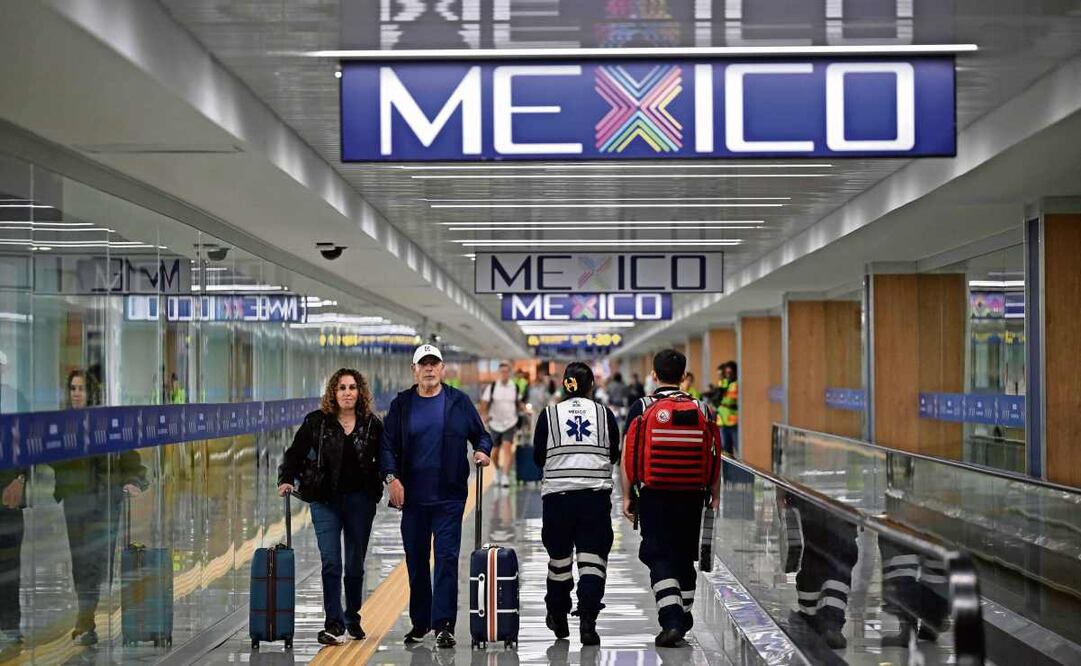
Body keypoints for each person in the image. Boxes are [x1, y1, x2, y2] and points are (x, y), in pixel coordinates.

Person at [381, 344, 492, 649]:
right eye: (423, 364)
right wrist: (392, 478)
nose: (429, 369)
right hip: (413, 500)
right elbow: (387, 445)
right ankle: (420, 623)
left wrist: (483, 451)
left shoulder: (458, 402)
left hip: (449, 497)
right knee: (416, 561)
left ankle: (443, 625)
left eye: (434, 364)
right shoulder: (402, 404)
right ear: (413, 370)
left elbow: (481, 434)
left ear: (443, 369)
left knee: (445, 559)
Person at [622, 350, 721, 648]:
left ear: (654, 375)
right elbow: (716, 453)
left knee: (657, 554)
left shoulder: (642, 407)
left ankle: (672, 618)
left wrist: (627, 495)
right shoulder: (703, 409)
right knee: (682, 555)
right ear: (683, 376)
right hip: (693, 493)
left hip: (654, 493)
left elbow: (630, 454)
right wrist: (715, 494)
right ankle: (684, 615)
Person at [278, 368, 383, 645]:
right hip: (325, 501)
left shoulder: (372, 425)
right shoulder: (317, 423)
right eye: (341, 388)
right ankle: (334, 624)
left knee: (355, 565)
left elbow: (386, 459)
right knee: (331, 562)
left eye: (352, 387)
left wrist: (394, 482)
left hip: (361, 502)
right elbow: (294, 453)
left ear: (360, 392)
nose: (347, 393)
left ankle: (352, 617)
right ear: (332, 393)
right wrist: (286, 479)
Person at [53, 369, 147, 646]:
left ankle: (86, 618)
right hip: (76, 503)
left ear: (91, 393)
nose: (77, 393)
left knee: (94, 560)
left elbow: (130, 459)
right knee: (80, 562)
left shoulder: (106, 423)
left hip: (104, 503)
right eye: (73, 388)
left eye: (81, 388)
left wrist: (132, 480)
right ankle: (87, 617)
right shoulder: (63, 424)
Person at [533, 363, 621, 646]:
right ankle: (588, 622)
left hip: (557, 500)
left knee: (559, 562)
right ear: (591, 386)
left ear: (564, 384)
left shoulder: (549, 415)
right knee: (593, 563)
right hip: (594, 500)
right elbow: (615, 453)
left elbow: (538, 457)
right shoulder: (605, 415)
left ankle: (558, 615)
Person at [479, 362, 521, 488]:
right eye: (502, 372)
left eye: (506, 372)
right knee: (495, 453)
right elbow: (484, 403)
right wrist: (484, 415)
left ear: (509, 373)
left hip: (510, 422)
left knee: (507, 447)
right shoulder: (492, 387)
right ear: (499, 373)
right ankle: (497, 470)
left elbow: (518, 402)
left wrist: (525, 409)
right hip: (495, 423)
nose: (504, 374)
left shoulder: (514, 387)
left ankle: (505, 476)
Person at [716, 362, 739, 459]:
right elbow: (717, 398)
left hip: (733, 420)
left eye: (730, 372)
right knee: (725, 448)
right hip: (722, 419)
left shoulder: (736, 384)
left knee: (738, 446)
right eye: (726, 373)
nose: (728, 375)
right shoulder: (723, 382)